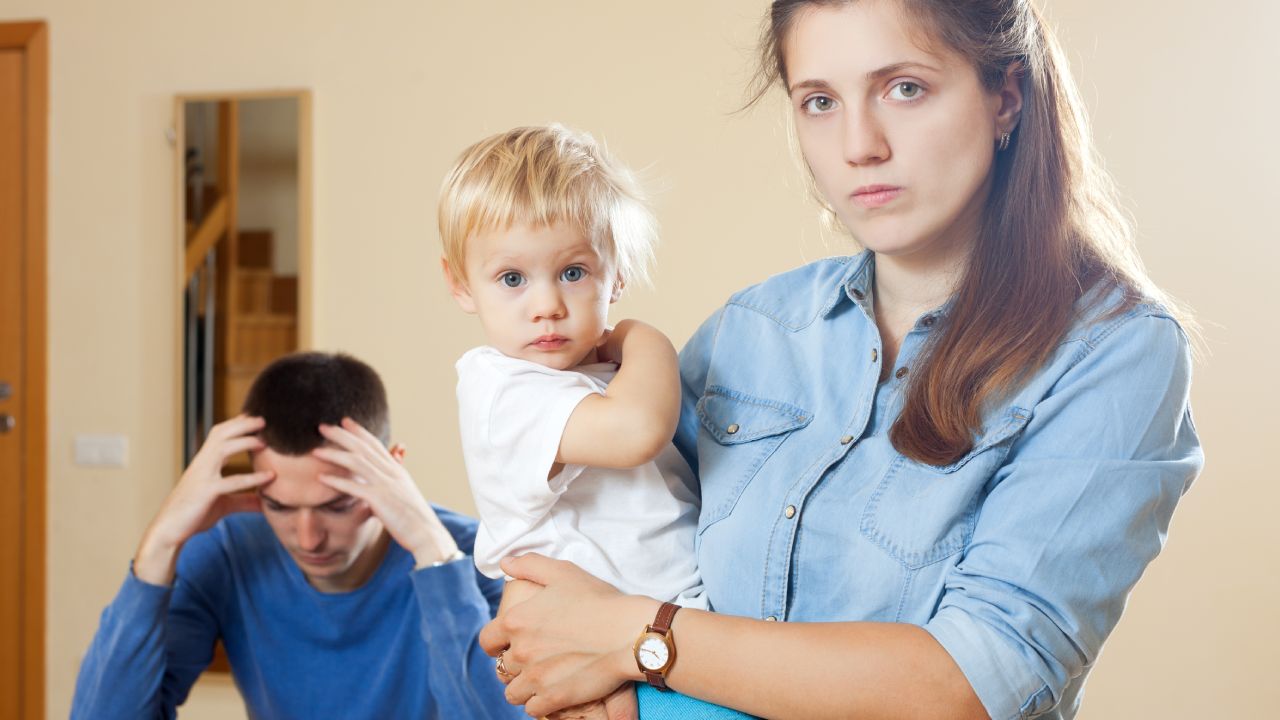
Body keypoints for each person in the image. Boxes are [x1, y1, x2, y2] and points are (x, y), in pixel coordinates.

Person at [477, 1, 1205, 719]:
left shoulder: (1116, 350)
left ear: (1006, 96)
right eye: (819, 101)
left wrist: (640, 641)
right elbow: (590, 539)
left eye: (905, 88)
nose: (859, 144)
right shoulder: (752, 328)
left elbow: (977, 682)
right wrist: (563, 645)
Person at [71, 352, 523, 719]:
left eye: (336, 505)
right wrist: (161, 543)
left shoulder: (480, 556)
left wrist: (434, 553)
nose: (308, 539)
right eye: (280, 506)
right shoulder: (228, 551)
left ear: (392, 469)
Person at [439, 125, 717, 717]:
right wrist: (647, 338)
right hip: (600, 659)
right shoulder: (500, 387)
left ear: (617, 276)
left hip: (660, 635)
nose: (546, 305)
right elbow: (637, 432)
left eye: (573, 272)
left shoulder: (596, 378)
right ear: (461, 285)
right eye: (511, 279)